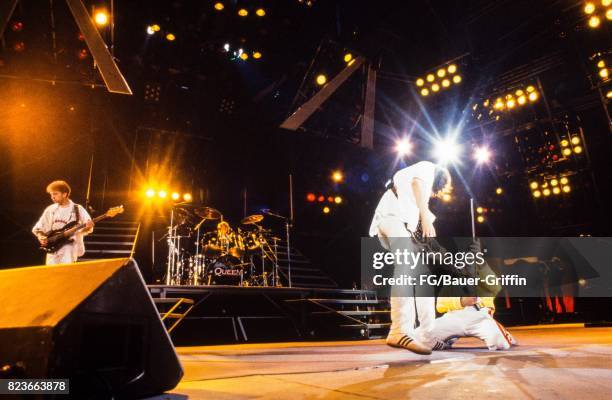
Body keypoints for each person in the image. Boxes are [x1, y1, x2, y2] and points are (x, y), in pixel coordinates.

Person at [369, 160, 452, 355]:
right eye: (438, 190)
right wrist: (424, 216)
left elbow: (424, 237)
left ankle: (427, 335)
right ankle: (399, 330)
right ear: (440, 180)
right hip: (391, 218)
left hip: (399, 224)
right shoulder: (428, 168)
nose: (434, 195)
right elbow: (417, 183)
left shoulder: (416, 202)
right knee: (405, 269)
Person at [32, 180, 94, 265]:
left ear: (65, 194)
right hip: (53, 247)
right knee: (51, 275)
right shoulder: (50, 209)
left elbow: (88, 228)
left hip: (69, 247)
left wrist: (88, 227)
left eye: (55, 194)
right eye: (51, 194)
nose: (52, 197)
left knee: (65, 273)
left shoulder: (78, 209)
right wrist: (41, 236)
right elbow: (38, 228)